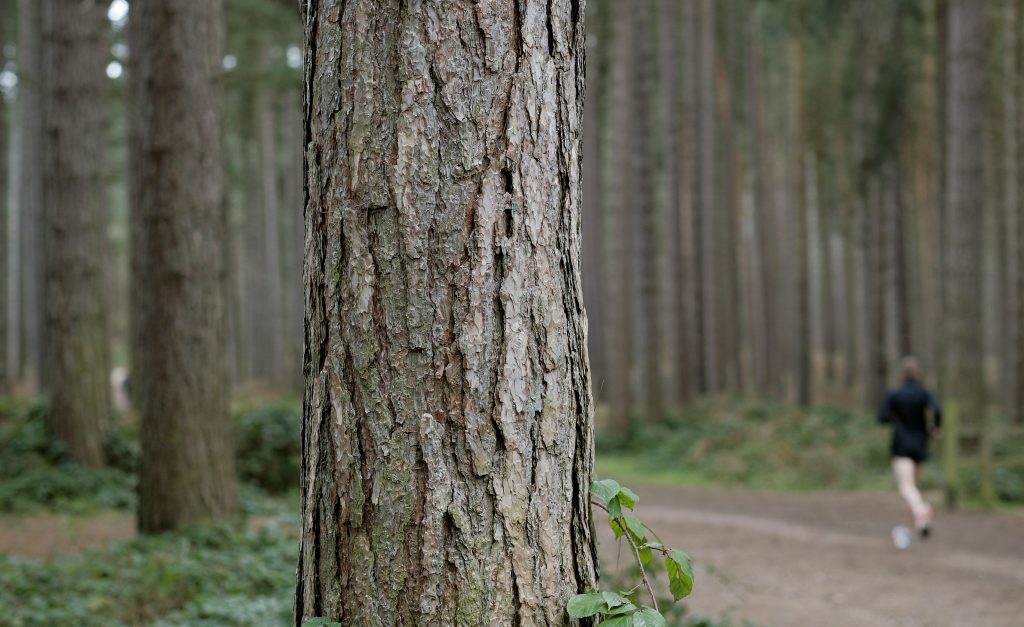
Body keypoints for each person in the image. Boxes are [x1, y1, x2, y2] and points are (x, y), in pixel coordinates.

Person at [878, 356, 942, 539]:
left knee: (906, 487)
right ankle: (921, 524)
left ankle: (922, 510)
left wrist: (896, 420)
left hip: (901, 445)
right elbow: (938, 409)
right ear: (918, 374)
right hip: (921, 444)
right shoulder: (924, 393)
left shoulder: (894, 394)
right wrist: (935, 427)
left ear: (901, 375)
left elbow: (881, 417)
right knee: (914, 488)